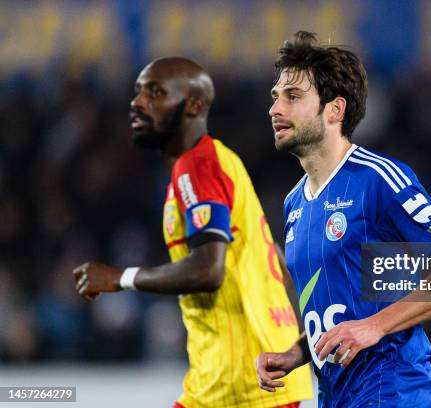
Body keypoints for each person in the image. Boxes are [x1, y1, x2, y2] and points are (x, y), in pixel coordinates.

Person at [73, 57, 312, 408]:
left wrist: (120, 278)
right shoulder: (218, 162)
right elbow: (273, 257)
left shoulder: (197, 165)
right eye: (138, 91)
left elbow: (208, 269)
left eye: (155, 92)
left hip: (240, 381)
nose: (137, 101)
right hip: (235, 377)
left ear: (195, 104)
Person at [256, 31, 431, 407]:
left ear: (334, 110)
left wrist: (374, 327)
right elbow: (341, 311)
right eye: (276, 97)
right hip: (337, 395)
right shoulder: (294, 204)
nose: (276, 109)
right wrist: (298, 352)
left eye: (293, 96)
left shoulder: (377, 179)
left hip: (393, 389)